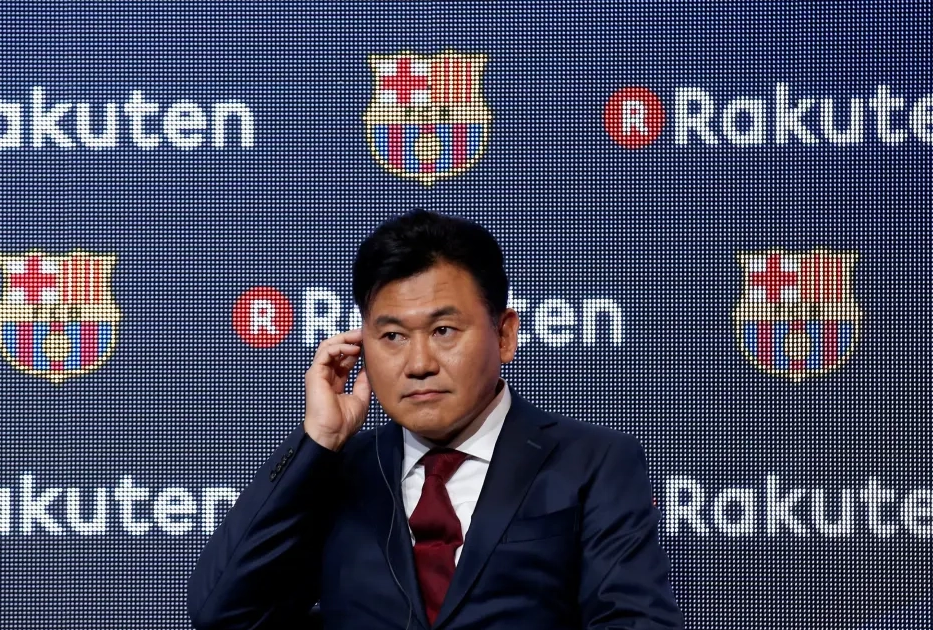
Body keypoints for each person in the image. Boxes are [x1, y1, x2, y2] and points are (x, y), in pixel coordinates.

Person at [187, 210, 683, 629]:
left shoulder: (592, 461)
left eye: (444, 330)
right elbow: (224, 615)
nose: (419, 363)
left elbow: (634, 620)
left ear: (504, 335)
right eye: (393, 337)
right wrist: (318, 440)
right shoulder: (338, 470)